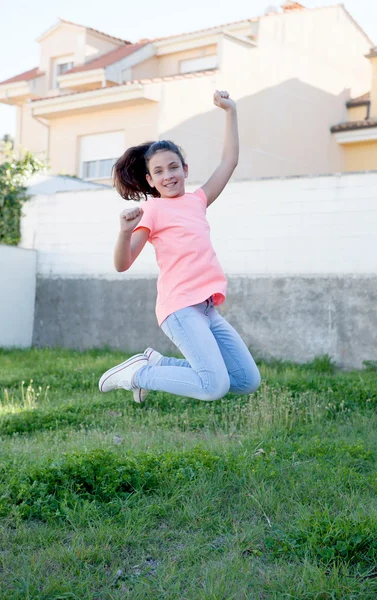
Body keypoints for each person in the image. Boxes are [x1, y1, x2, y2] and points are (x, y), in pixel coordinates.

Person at [99, 90, 261, 403]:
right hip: (179, 308)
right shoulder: (153, 210)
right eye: (158, 171)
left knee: (245, 379)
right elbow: (123, 263)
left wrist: (231, 111)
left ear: (185, 169)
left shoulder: (198, 200)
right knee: (213, 386)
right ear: (149, 180)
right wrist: (124, 231)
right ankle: (136, 374)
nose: (168, 175)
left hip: (206, 308)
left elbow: (230, 160)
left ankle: (156, 364)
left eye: (173, 167)